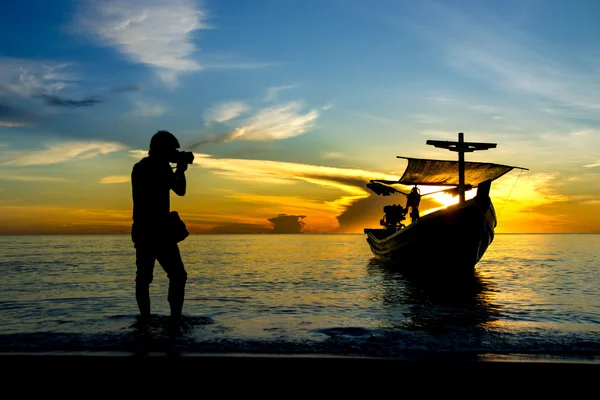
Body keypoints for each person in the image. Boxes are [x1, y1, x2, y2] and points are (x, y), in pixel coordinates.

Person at [131, 130, 189, 322]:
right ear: (163, 149)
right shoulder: (160, 168)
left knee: (144, 278)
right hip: (158, 231)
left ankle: (145, 320)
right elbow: (180, 191)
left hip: (143, 230)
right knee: (177, 276)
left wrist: (176, 167)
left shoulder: (139, 167)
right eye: (172, 150)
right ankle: (175, 319)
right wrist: (180, 169)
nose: (174, 154)